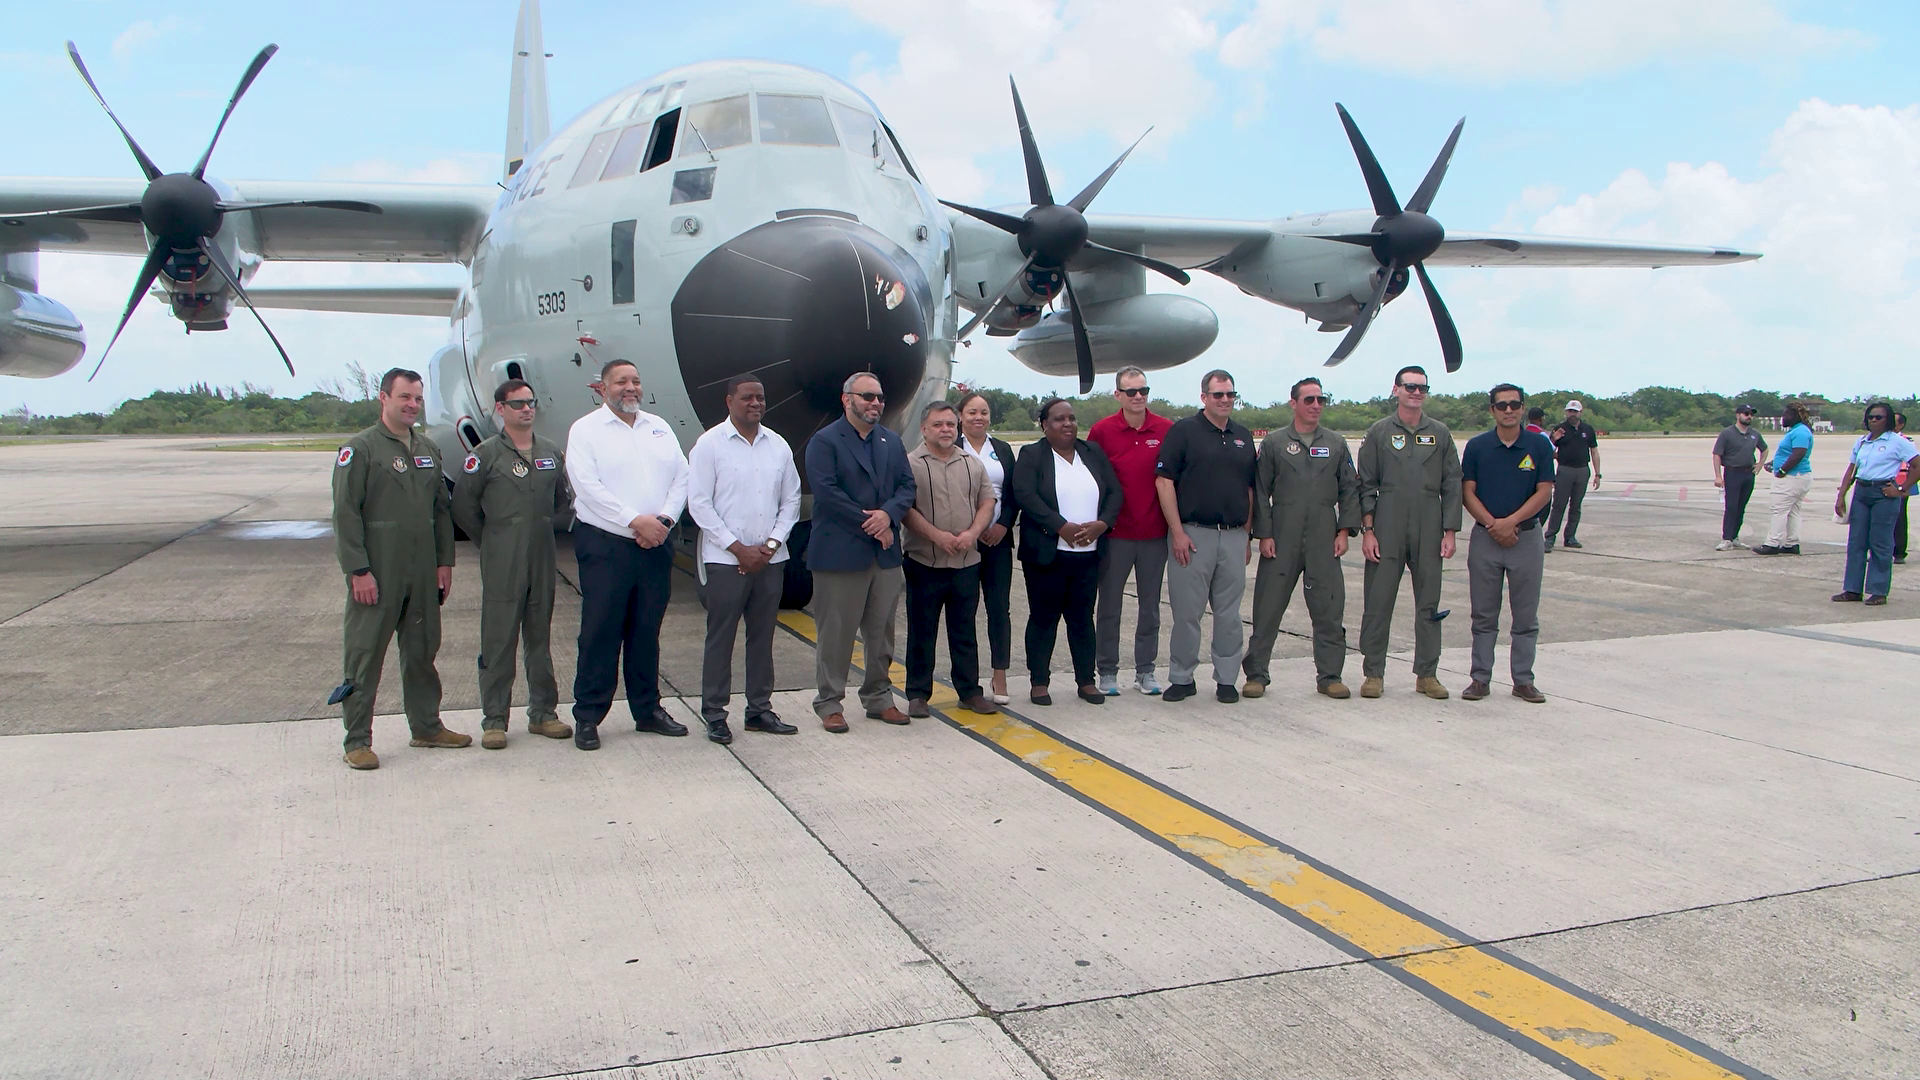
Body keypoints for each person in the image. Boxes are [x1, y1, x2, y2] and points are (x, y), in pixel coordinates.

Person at [331, 367, 467, 770]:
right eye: (404, 397)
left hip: (422, 570)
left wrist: (444, 562)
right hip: (379, 570)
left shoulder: (428, 449)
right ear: (384, 398)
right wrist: (358, 570)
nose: (412, 405)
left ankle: (426, 727)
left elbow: (441, 511)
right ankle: (357, 739)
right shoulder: (360, 450)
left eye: (418, 399)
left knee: (422, 651)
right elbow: (345, 514)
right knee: (365, 655)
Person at [565, 359, 690, 750]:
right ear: (602, 389)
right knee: (600, 631)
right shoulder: (585, 430)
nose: (630, 387)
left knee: (646, 632)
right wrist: (636, 521)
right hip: (606, 545)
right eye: (621, 381)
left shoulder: (659, 427)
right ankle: (588, 715)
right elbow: (587, 487)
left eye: (635, 380)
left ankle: (647, 710)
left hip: (655, 544)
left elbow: (682, 475)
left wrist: (664, 520)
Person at [451, 378, 573, 750]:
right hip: (502, 556)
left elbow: (561, 499)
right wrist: (492, 539)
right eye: (517, 404)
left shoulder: (550, 451)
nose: (526, 409)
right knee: (499, 639)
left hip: (541, 553)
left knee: (540, 638)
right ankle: (494, 719)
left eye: (530, 402)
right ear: (500, 409)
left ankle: (543, 713)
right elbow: (463, 506)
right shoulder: (485, 455)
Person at [686, 375, 802, 744]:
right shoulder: (709, 445)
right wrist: (737, 547)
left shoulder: (778, 445)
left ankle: (759, 710)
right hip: (726, 561)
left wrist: (771, 544)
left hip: (770, 559)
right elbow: (699, 503)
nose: (756, 403)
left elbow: (792, 500)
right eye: (747, 397)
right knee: (721, 638)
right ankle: (715, 713)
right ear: (729, 401)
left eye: (760, 397)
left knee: (762, 638)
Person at [805, 372, 915, 732]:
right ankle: (830, 702)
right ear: (846, 399)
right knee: (836, 634)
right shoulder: (825, 441)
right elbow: (827, 492)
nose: (876, 403)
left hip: (884, 556)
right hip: (841, 553)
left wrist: (888, 516)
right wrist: (873, 522)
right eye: (867, 396)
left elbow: (906, 486)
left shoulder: (890, 441)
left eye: (879, 397)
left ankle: (879, 697)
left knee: (882, 633)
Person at [1243, 377, 1359, 700]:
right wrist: (1264, 534)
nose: (1316, 405)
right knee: (1267, 607)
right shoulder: (1275, 443)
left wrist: (1345, 531)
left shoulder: (1336, 443)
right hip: (1282, 534)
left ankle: (1330, 676)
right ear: (1293, 403)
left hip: (1324, 535)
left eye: (1321, 400)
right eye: (1309, 400)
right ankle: (1256, 674)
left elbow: (1350, 488)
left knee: (1329, 609)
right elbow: (1261, 490)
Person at [1356, 365, 1462, 700]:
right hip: (1387, 522)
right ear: (1396, 390)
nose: (1416, 393)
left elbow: (1452, 483)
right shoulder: (1378, 432)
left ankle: (1427, 674)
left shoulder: (1440, 434)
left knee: (1429, 603)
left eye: (1422, 388)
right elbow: (1366, 484)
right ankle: (1373, 673)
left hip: (1429, 522)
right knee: (1378, 601)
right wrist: (1368, 530)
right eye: (1410, 387)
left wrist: (1450, 531)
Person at [1156, 369, 1259, 704]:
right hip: (1193, 534)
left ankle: (1227, 679)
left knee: (1229, 615)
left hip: (1232, 536)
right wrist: (1177, 532)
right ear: (1204, 397)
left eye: (1230, 394)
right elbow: (1164, 482)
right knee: (1188, 614)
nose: (1225, 400)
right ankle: (1182, 677)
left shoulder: (1243, 436)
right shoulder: (1184, 431)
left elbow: (1250, 488)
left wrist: (1246, 534)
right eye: (1218, 395)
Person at [1013, 398, 1124, 706]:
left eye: (1072, 418)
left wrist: (1103, 524)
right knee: (1043, 619)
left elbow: (1115, 492)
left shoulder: (1092, 452)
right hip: (1047, 554)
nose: (1068, 424)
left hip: (1088, 555)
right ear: (1044, 425)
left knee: (1082, 619)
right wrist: (1059, 526)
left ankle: (1086, 681)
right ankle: (1039, 682)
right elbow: (1025, 494)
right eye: (1059, 419)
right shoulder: (1032, 455)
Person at [1460, 384, 1556, 704]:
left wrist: (1511, 522)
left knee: (1526, 616)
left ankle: (1523, 680)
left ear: (1523, 408)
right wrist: (1493, 524)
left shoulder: (1538, 445)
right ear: (1492, 411)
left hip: (1525, 537)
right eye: (1502, 405)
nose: (1509, 410)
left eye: (1514, 404)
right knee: (1483, 614)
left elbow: (1544, 490)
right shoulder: (1477, 447)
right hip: (1485, 537)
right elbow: (1467, 491)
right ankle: (1480, 678)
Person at [902, 401, 998, 716]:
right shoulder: (910, 464)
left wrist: (973, 533)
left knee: (964, 631)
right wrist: (936, 536)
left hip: (966, 564)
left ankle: (969, 692)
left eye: (950, 424)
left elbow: (987, 501)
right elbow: (905, 509)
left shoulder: (972, 463)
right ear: (924, 428)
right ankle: (918, 695)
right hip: (924, 563)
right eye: (938, 424)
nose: (945, 430)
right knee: (922, 631)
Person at [1087, 366, 1174, 696]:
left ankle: (1145, 670)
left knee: (1150, 608)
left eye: (1143, 391)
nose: (1138, 397)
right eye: (1131, 391)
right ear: (1118, 395)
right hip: (1116, 535)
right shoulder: (1102, 431)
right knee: (1110, 606)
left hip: (1154, 534)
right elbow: (1092, 478)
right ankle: (1107, 671)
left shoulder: (1165, 429)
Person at [956, 392, 1018, 704]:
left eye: (983, 412)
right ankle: (968, 679)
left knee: (998, 609)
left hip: (997, 541)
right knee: (964, 610)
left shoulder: (1002, 449)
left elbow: (1013, 492)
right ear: (960, 416)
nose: (978, 417)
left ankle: (1000, 674)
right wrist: (971, 532)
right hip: (965, 541)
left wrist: (1003, 524)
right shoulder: (953, 447)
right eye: (972, 412)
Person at [1832, 401, 1918, 606]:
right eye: (1870, 417)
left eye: (1878, 417)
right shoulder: (1862, 441)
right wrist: (1841, 495)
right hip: (1862, 491)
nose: (1873, 420)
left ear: (1887, 420)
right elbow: (1852, 469)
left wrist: (1901, 488)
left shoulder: (1898, 442)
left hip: (1883, 493)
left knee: (1880, 542)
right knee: (1856, 542)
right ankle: (1852, 589)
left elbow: (1917, 465)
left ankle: (1878, 590)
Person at [1754, 402, 1814, 556]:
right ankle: (1792, 543)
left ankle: (1772, 543)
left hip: (1792, 477)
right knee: (1793, 511)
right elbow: (1790, 453)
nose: (1783, 418)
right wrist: (1774, 464)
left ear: (1795, 416)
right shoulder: (1798, 431)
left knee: (1779, 510)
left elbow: (1798, 454)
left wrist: (1782, 470)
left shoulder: (1800, 432)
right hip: (1798, 477)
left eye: (1786, 415)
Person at [1544, 399, 1601, 551]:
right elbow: (1547, 451)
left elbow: (1594, 451)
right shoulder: (1560, 429)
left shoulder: (1587, 429)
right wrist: (1554, 439)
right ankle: (1550, 537)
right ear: (1566, 412)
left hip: (1582, 470)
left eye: (1575, 411)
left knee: (1576, 506)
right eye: (1570, 411)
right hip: (1565, 470)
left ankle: (1570, 537)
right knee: (1559, 505)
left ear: (1580, 413)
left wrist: (1597, 474)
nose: (1572, 414)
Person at [1710, 404, 1768, 550]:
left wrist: (1760, 465)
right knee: (1731, 506)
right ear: (1738, 415)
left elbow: (1764, 449)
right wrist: (1718, 476)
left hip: (1748, 474)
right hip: (1732, 473)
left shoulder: (1754, 434)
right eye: (1746, 413)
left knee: (1741, 507)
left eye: (1751, 414)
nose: (1749, 417)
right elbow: (1717, 454)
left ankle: (1735, 537)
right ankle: (1727, 538)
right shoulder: (1727, 433)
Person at [1896, 412, 1911, 565]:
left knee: (1899, 518)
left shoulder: (1905, 441)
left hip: (1901, 482)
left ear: (1901, 425)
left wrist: (1906, 486)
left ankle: (1899, 552)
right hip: (1882, 482)